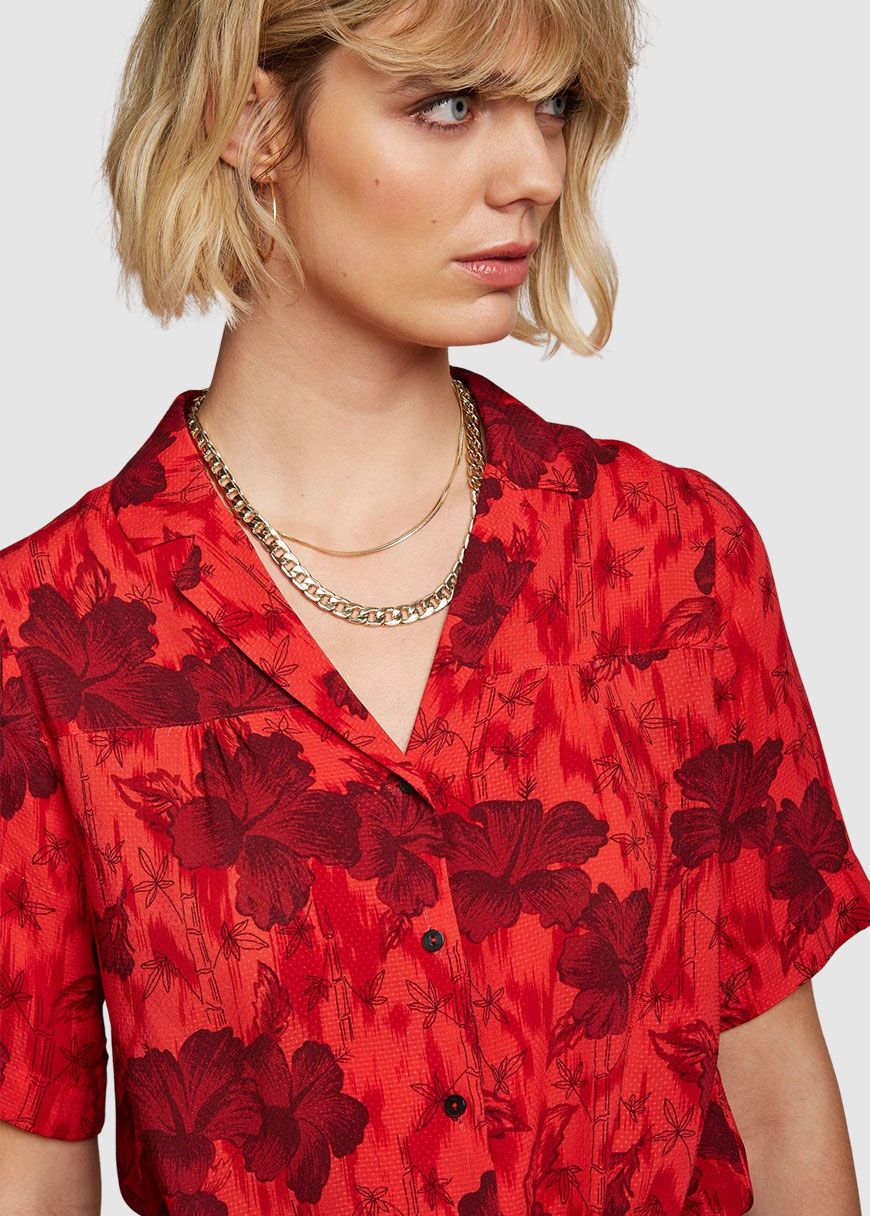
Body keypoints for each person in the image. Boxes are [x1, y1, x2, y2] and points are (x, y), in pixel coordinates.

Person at [1, 0, 867, 1213]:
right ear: (253, 124)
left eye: (552, 106)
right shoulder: (51, 635)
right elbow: (30, 1175)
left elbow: (776, 1114)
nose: (537, 173)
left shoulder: (669, 559)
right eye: (449, 106)